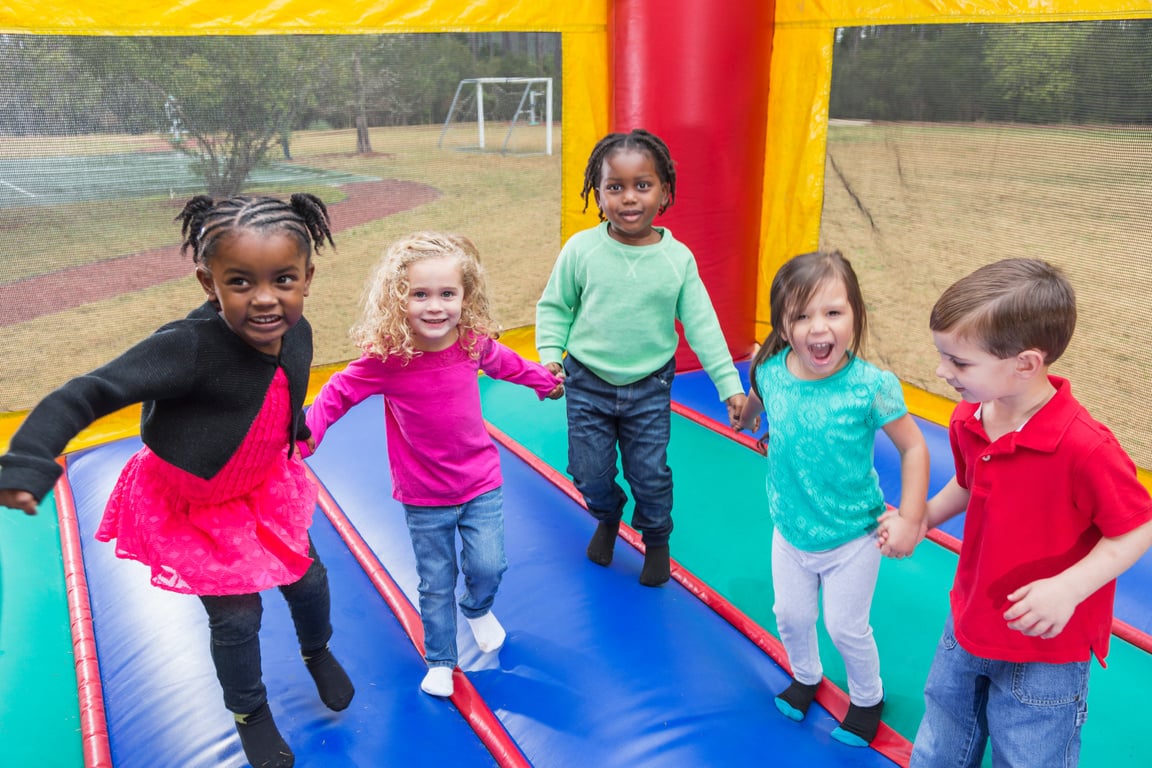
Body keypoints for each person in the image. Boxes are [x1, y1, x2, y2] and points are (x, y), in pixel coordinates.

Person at [0, 193, 353, 768]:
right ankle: (250, 711)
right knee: (238, 617)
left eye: (283, 279)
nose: (265, 299)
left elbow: (284, 384)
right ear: (208, 283)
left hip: (263, 486)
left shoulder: (299, 329)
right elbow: (90, 390)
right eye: (240, 282)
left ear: (307, 279)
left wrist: (295, 433)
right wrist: (29, 458)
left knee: (309, 581)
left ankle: (318, 651)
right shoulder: (188, 348)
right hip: (197, 504)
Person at [901, 258, 1152, 767]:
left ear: (1026, 364)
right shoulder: (969, 417)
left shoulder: (1085, 448)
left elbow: (1136, 527)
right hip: (968, 622)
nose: (941, 372)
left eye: (959, 363)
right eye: (943, 356)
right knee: (939, 745)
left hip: (1044, 652)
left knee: (1029, 756)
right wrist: (924, 516)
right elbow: (969, 483)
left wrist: (1069, 588)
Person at [302, 231, 564, 699]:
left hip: (480, 482)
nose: (435, 307)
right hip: (424, 494)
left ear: (466, 296)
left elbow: (508, 364)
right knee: (435, 581)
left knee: (489, 565)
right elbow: (339, 392)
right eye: (420, 295)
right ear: (398, 299)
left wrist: (544, 381)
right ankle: (442, 658)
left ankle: (478, 607)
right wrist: (309, 433)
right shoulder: (389, 358)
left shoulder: (471, 344)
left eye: (448, 294)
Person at [535, 128, 747, 587]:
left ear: (665, 191)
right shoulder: (582, 250)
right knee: (587, 471)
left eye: (642, 185)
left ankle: (656, 539)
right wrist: (551, 358)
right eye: (615, 187)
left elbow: (704, 326)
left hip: (649, 386)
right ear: (598, 192)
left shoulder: (677, 260)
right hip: (587, 381)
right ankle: (608, 515)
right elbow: (555, 306)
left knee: (648, 472)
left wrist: (730, 386)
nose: (629, 198)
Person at [736, 249, 929, 747]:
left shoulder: (870, 387)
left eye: (833, 312)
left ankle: (868, 698)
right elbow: (760, 390)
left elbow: (913, 447)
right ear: (782, 323)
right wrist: (751, 415)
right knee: (791, 616)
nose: (817, 329)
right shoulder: (773, 369)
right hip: (790, 527)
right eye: (800, 315)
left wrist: (910, 516)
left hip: (853, 535)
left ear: (855, 316)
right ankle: (806, 675)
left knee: (846, 627)